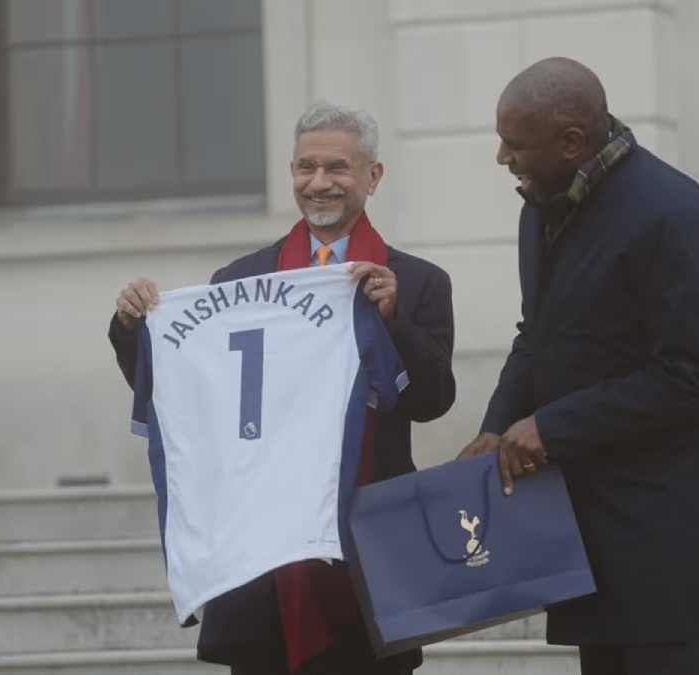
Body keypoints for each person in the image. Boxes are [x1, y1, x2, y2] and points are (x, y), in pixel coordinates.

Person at [110, 102, 455, 675]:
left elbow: (433, 399)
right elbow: (192, 397)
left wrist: (393, 322)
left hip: (368, 552)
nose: (319, 183)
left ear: (373, 176)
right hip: (257, 559)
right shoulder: (239, 281)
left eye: (337, 167)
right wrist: (132, 328)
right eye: (305, 167)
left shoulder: (417, 282)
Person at [458, 57, 699, 675]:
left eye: (515, 144)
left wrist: (550, 426)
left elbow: (697, 377)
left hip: (670, 547)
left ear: (571, 142)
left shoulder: (676, 216)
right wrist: (498, 422)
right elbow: (536, 334)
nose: (502, 158)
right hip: (590, 535)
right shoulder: (542, 206)